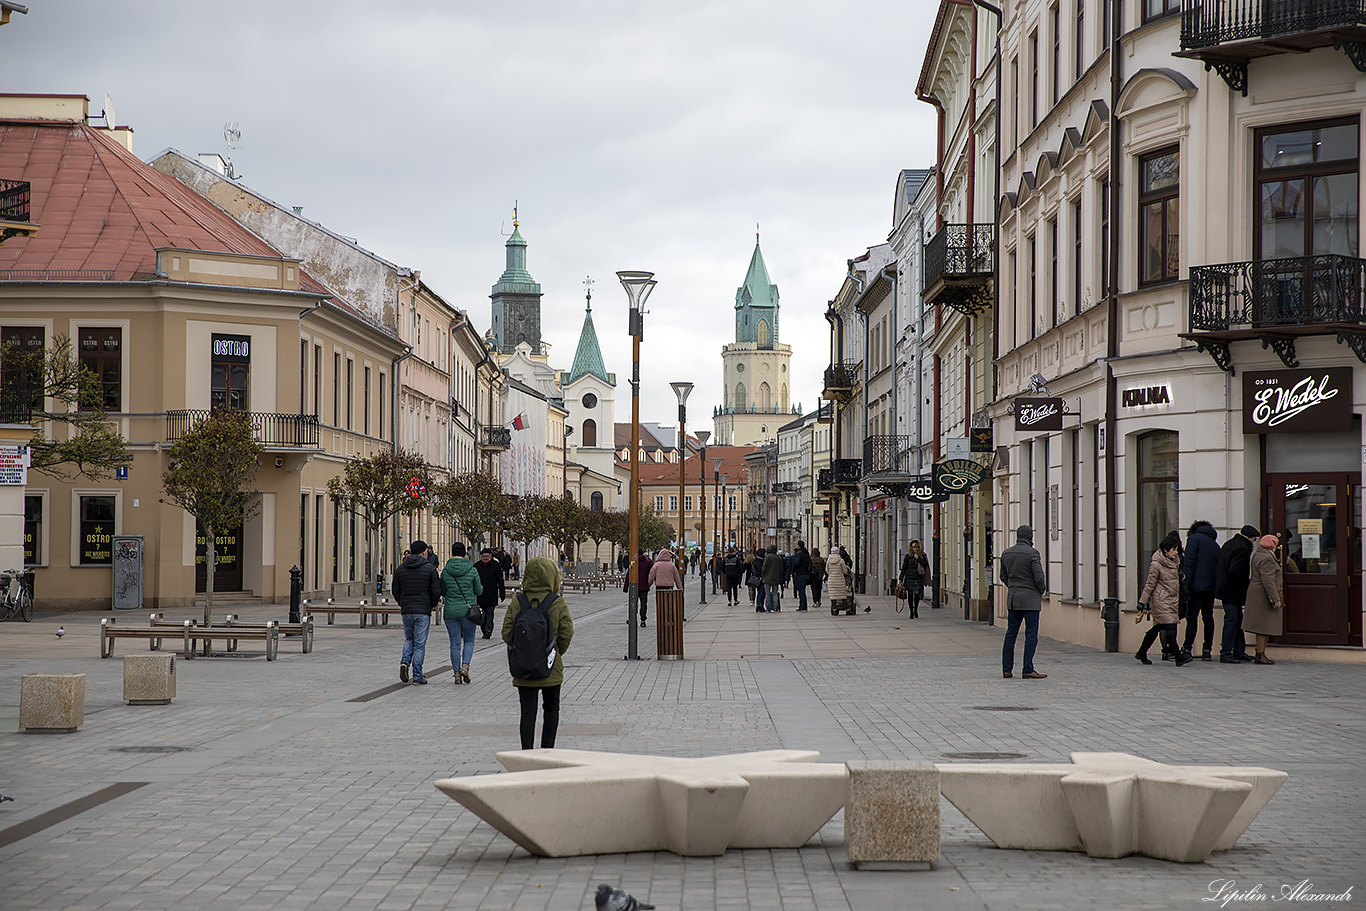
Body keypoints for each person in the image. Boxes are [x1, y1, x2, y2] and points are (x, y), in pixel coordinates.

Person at [503, 556, 574, 750]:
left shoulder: (518, 602)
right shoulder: (556, 602)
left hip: (523, 666)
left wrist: (522, 648)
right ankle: (547, 750)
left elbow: (506, 632)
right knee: (551, 708)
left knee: (527, 712)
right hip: (550, 667)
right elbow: (567, 632)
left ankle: (527, 751)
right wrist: (555, 652)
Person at [999, 525, 1048, 680]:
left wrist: (1013, 587)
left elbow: (1003, 576)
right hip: (1030, 600)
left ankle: (1007, 669)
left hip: (1014, 599)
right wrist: (1040, 590)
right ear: (1030, 538)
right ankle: (1027, 668)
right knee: (1031, 634)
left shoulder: (1006, 553)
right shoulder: (1032, 553)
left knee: (1011, 634)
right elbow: (1039, 576)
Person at [1136, 532, 1191, 666]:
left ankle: (1142, 652)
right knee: (1170, 628)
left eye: (1176, 549)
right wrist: (1142, 603)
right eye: (1173, 550)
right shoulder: (1156, 564)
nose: (1175, 552)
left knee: (1158, 628)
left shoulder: (1175, 562)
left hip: (1173, 600)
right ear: (1165, 550)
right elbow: (1150, 584)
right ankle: (1178, 656)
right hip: (1161, 600)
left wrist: (1181, 576)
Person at [392, 539, 441, 685]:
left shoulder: (401, 568)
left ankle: (405, 662)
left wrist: (402, 602)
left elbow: (395, 590)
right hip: (423, 610)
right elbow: (436, 590)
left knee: (409, 639)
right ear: (424, 551)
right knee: (420, 644)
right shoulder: (430, 568)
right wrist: (431, 604)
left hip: (407, 610)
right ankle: (417, 676)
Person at [440, 542, 483, 684]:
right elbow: (479, 590)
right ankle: (465, 666)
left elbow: (443, 591)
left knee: (455, 644)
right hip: (468, 610)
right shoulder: (472, 569)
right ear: (465, 553)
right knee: (469, 640)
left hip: (451, 611)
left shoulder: (446, 570)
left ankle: (456, 673)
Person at [1216, 525, 1258, 663]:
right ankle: (1226, 653)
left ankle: (1239, 651)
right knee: (1232, 621)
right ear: (1250, 538)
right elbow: (1236, 571)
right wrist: (1247, 583)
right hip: (1232, 591)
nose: (1253, 542)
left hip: (1226, 589)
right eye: (1254, 539)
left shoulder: (1230, 543)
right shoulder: (1241, 548)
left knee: (1236, 620)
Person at [1180, 520, 1220, 661]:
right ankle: (1207, 650)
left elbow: (1189, 561)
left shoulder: (1193, 539)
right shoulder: (1215, 545)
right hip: (1211, 587)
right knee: (1208, 617)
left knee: (1192, 617)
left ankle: (1187, 648)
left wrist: (1186, 582)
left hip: (1196, 587)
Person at [1244, 534, 1284, 665]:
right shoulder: (1267, 558)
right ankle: (1260, 654)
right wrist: (1275, 598)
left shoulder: (1258, 554)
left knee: (1264, 625)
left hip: (1258, 592)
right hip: (1263, 594)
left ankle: (1260, 653)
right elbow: (1268, 580)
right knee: (1264, 625)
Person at [474, 547, 506, 639]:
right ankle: (484, 630)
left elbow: (500, 581)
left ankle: (488, 630)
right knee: (482, 614)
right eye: (483, 556)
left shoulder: (496, 566)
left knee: (490, 613)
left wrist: (502, 593)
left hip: (492, 594)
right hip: (481, 595)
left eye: (487, 556)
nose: (485, 558)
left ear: (491, 556)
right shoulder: (477, 566)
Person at [899, 540, 931, 619]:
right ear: (911, 548)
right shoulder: (908, 557)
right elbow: (904, 568)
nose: (915, 549)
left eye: (917, 547)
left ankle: (915, 609)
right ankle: (911, 612)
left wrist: (918, 558)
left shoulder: (922, 556)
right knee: (910, 595)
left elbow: (925, 564)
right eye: (914, 547)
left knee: (917, 595)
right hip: (909, 578)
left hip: (918, 578)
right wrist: (901, 578)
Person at [624, 547, 652, 626]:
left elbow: (628, 575)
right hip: (644, 587)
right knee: (643, 604)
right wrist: (649, 583)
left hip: (634, 587)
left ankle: (632, 618)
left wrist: (625, 587)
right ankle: (643, 620)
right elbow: (651, 574)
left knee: (633, 603)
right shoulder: (647, 562)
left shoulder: (633, 562)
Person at [825, 545, 852, 613]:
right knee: (842, 595)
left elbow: (827, 570)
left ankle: (834, 609)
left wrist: (831, 574)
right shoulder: (841, 560)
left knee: (833, 596)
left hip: (832, 580)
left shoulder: (828, 560)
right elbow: (844, 571)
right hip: (840, 579)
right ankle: (847, 609)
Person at [761, 544, 784, 612]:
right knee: (775, 593)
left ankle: (768, 607)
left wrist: (763, 575)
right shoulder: (779, 557)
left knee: (767, 593)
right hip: (776, 577)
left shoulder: (767, 557)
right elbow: (781, 569)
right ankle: (775, 607)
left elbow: (764, 567)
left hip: (767, 578)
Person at [791, 541, 811, 611]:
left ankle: (802, 606)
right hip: (805, 573)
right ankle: (803, 605)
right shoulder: (806, 553)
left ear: (799, 546)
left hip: (800, 573)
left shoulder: (799, 553)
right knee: (803, 590)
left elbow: (796, 563)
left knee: (801, 591)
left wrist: (793, 571)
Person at [808, 546, 826, 611]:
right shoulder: (821, 559)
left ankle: (815, 601)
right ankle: (819, 600)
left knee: (814, 589)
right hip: (820, 576)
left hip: (813, 576)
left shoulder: (811, 559)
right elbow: (824, 568)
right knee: (819, 589)